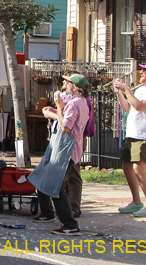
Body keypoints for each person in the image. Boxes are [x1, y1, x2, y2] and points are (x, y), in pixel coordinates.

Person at [33, 73, 90, 235]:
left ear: (75, 88)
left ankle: (70, 224)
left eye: (69, 82)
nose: (65, 84)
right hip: (67, 149)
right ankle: (47, 212)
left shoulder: (75, 104)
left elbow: (66, 128)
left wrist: (57, 106)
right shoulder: (81, 102)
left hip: (67, 150)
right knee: (43, 176)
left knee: (56, 186)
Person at [114, 61, 146, 217]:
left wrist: (127, 89)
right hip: (133, 133)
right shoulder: (141, 89)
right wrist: (119, 92)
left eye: (144, 71)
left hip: (145, 135)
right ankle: (137, 202)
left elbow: (139, 106)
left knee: (138, 168)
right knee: (127, 166)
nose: (141, 73)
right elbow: (128, 107)